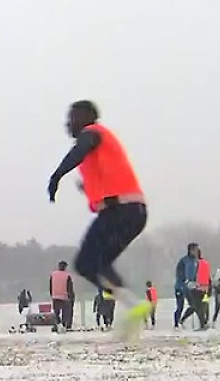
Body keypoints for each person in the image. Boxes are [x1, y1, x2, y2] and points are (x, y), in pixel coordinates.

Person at [47, 100, 151, 339]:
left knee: (88, 262)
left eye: (72, 117)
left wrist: (57, 176)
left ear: (86, 118)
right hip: (131, 212)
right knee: (93, 264)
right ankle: (133, 308)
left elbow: (80, 149)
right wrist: (89, 188)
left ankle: (132, 306)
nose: (67, 123)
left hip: (123, 211)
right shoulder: (97, 151)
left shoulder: (93, 134)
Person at [179, 248, 211, 330]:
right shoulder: (206, 263)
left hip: (196, 287)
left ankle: (203, 324)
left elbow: (193, 275)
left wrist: (187, 282)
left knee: (196, 306)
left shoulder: (195, 263)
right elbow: (208, 276)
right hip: (204, 287)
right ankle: (203, 323)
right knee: (199, 306)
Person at [174, 243, 200, 328]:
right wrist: (185, 280)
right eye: (195, 249)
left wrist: (196, 281)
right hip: (180, 287)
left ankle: (182, 320)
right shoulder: (184, 260)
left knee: (193, 305)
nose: (197, 251)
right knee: (180, 306)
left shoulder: (195, 261)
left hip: (189, 287)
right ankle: (176, 324)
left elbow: (195, 273)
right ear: (191, 250)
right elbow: (179, 272)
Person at [49, 260, 75, 331]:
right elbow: (70, 287)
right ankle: (65, 325)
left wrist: (52, 294)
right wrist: (72, 297)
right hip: (65, 297)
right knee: (66, 312)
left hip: (55, 296)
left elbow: (50, 286)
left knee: (56, 313)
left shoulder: (53, 274)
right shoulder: (67, 275)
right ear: (65, 267)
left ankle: (57, 324)